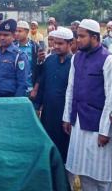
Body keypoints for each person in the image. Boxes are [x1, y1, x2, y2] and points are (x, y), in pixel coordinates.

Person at [63, 19, 112, 191]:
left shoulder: (109, 61)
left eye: (82, 36)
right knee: (83, 171)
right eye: (77, 36)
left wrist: (105, 131)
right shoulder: (76, 58)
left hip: (98, 126)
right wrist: (67, 117)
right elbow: (71, 89)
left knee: (103, 175)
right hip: (79, 123)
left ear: (95, 37)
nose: (77, 40)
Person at [35, 27, 73, 162]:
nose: (56, 46)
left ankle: (65, 180)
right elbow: (42, 84)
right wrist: (38, 105)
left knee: (65, 149)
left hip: (65, 115)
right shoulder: (49, 60)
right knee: (49, 146)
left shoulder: (74, 63)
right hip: (48, 113)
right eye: (54, 43)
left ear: (70, 44)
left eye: (60, 43)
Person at [0, 19, 29, 97]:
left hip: (10, 98)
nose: (2, 38)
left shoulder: (19, 56)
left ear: (14, 37)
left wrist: (15, 102)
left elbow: (22, 83)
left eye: (6, 35)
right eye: (0, 35)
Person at [15, 21, 40, 96]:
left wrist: (35, 89)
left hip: (30, 87)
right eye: (16, 31)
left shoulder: (35, 47)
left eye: (20, 31)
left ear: (27, 32)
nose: (17, 33)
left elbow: (39, 69)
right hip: (16, 87)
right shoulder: (13, 46)